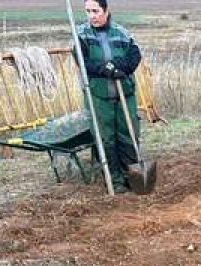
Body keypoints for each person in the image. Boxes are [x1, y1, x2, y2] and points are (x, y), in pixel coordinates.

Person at [76, 0, 141, 194]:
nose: (92, 16)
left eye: (95, 11)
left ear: (106, 10)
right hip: (99, 94)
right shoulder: (81, 35)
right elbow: (82, 61)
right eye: (88, 11)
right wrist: (103, 69)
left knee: (128, 134)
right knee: (107, 138)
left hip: (125, 94)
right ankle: (115, 179)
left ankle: (133, 175)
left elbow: (135, 56)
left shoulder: (121, 33)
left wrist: (121, 67)